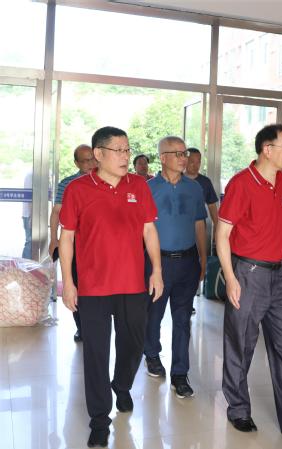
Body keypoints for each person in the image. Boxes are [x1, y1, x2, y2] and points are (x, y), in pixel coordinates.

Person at [216, 124, 282, 438]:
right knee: (241, 345)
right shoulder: (241, 183)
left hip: (280, 274)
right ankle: (238, 410)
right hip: (249, 274)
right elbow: (222, 234)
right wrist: (231, 278)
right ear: (267, 149)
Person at [59, 126, 163, 448]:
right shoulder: (77, 189)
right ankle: (99, 420)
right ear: (99, 154)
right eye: (118, 150)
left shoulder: (139, 185)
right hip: (93, 287)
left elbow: (149, 230)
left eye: (127, 150)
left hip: (132, 284)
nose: (125, 156)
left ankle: (121, 384)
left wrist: (157, 271)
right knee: (96, 353)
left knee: (133, 344)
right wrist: (68, 283)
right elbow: (67, 238)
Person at [144, 137, 207, 399]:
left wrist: (203, 259)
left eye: (185, 153)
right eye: (178, 154)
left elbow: (199, 224)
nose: (184, 158)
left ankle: (180, 374)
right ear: (163, 157)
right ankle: (151, 354)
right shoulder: (147, 188)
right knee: (154, 315)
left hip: (188, 262)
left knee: (182, 320)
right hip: (157, 264)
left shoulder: (194, 188)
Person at [49, 144, 97, 342]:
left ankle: (97, 325)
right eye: (85, 161)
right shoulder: (68, 184)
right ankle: (82, 327)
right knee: (76, 284)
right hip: (75, 243)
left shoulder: (106, 180)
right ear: (76, 163)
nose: (90, 164)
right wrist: (54, 239)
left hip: (98, 244)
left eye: (92, 159)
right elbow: (56, 212)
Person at [184, 147, 219, 226]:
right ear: (185, 161)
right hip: (180, 225)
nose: (195, 166)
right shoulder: (177, 179)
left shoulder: (205, 182)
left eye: (198, 162)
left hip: (199, 226)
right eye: (192, 162)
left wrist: (216, 225)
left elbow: (212, 205)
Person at [21, 171, 32, 259]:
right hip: (29, 214)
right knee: (30, 241)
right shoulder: (31, 175)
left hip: (33, 214)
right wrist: (32, 216)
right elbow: (30, 196)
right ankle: (25, 264)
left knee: (31, 241)